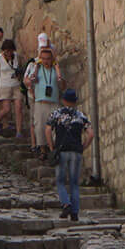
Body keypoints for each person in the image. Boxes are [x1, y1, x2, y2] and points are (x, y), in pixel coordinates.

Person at [45, 85, 93, 220]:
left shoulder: (57, 114)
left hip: (62, 150)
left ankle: (66, 204)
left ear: (64, 100)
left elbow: (48, 130)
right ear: (75, 101)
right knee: (74, 183)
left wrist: (51, 147)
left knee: (60, 181)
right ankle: (75, 212)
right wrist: (83, 147)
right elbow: (91, 134)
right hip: (76, 152)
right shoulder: (81, 115)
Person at [29, 41, 60, 160]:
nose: (46, 61)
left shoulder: (55, 69)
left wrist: (58, 72)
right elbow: (33, 80)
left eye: (48, 59)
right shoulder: (38, 69)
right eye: (44, 59)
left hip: (53, 102)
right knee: (39, 126)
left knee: (55, 127)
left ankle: (53, 149)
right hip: (41, 102)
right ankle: (42, 150)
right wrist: (36, 67)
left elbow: (61, 84)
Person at [0, 38, 21, 135]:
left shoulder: (17, 57)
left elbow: (19, 69)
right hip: (4, 85)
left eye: (10, 50)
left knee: (18, 108)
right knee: (7, 109)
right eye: (7, 50)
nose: (9, 53)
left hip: (16, 85)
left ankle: (19, 131)